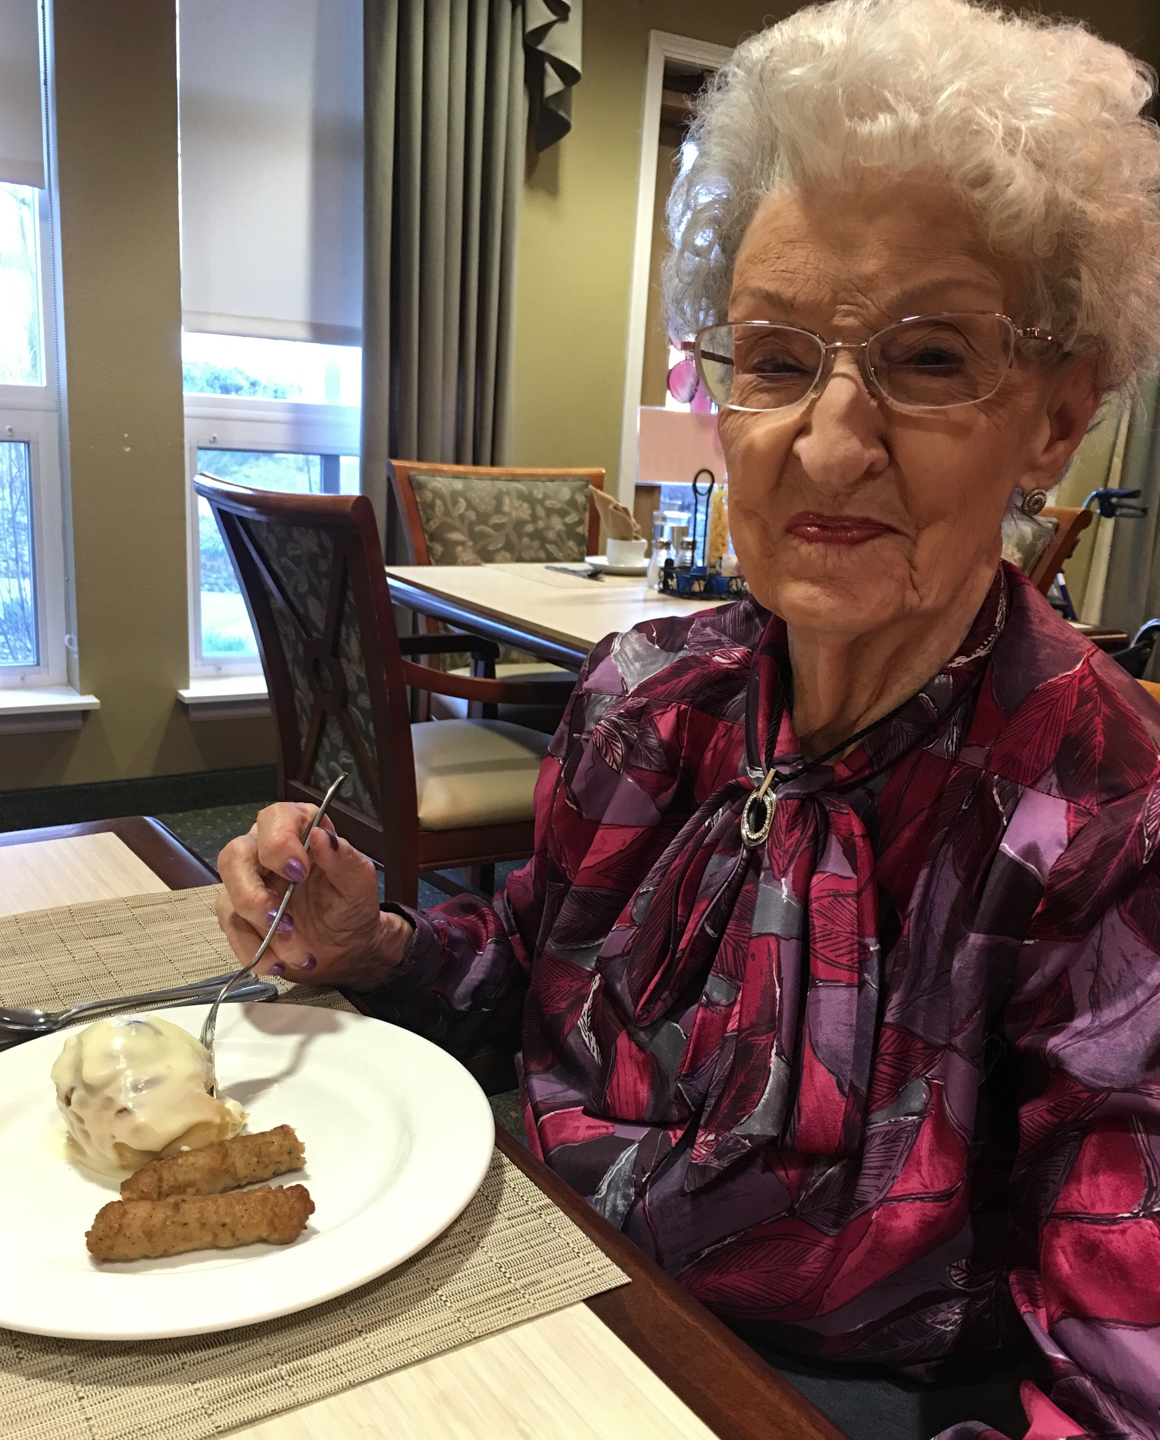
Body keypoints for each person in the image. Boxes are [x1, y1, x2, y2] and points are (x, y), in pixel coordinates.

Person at [216, 2, 1160, 1435]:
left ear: (1057, 417)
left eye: (929, 360)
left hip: (815, 1387)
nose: (827, 445)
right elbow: (524, 978)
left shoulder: (1105, 826)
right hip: (522, 1253)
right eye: (774, 359)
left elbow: (1119, 1380)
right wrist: (375, 945)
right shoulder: (644, 697)